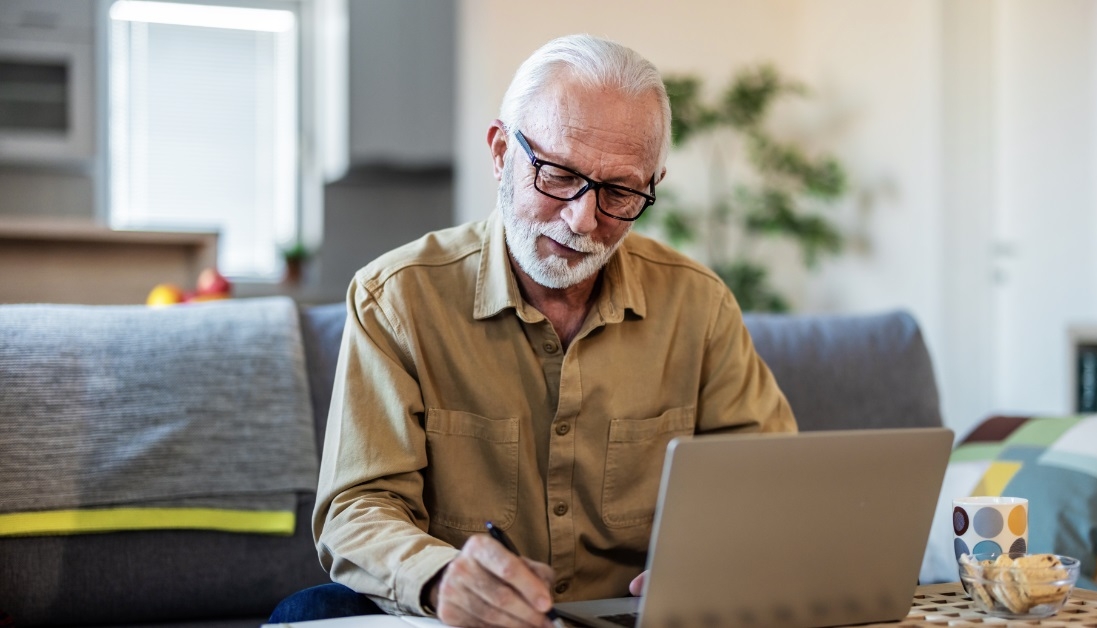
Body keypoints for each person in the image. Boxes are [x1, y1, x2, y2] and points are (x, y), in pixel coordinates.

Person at [270, 34, 796, 627]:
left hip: (634, 617)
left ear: (652, 183)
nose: (582, 218)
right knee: (310, 613)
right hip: (459, 619)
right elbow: (358, 508)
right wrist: (442, 580)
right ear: (500, 152)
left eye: (620, 192)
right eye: (558, 174)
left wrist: (718, 560)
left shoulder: (699, 305)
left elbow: (768, 481)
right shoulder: (397, 299)